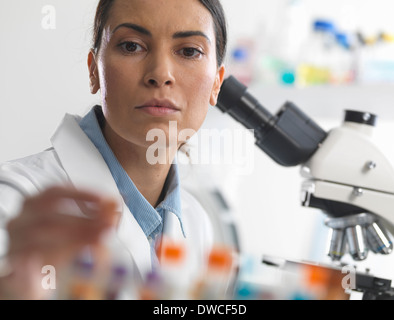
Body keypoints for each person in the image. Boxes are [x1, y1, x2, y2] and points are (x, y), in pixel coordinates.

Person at [0, 0, 227, 299]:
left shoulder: (199, 224)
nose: (160, 74)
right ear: (94, 71)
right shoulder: (14, 200)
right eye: (132, 46)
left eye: (188, 51)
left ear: (216, 85)